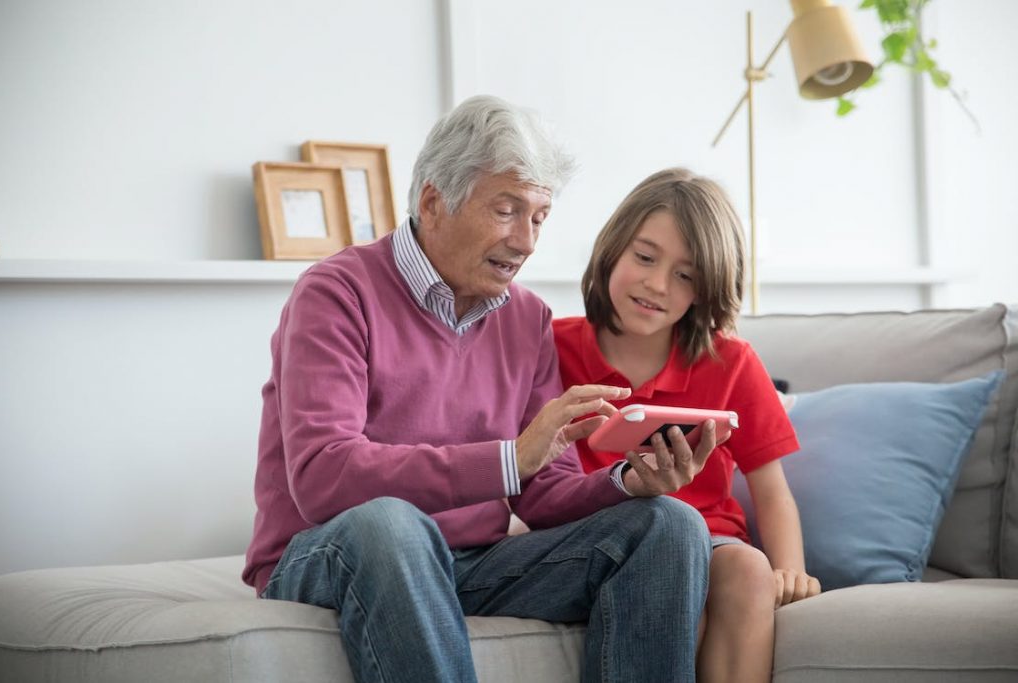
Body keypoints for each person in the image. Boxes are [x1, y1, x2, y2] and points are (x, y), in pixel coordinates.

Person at [243, 96, 718, 683]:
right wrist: (508, 458)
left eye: (539, 217)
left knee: (669, 524)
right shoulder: (336, 293)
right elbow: (323, 478)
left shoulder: (527, 318)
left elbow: (544, 493)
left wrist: (627, 482)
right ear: (433, 201)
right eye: (506, 210)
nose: (525, 241)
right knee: (392, 523)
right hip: (328, 553)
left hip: (470, 564)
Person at [553, 168, 822, 683]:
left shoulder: (732, 361)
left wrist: (789, 569)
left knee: (746, 569)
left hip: (710, 541)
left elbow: (771, 489)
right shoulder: (547, 348)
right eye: (645, 257)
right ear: (613, 249)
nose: (657, 285)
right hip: (595, 541)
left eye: (686, 275)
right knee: (673, 585)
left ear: (705, 289)